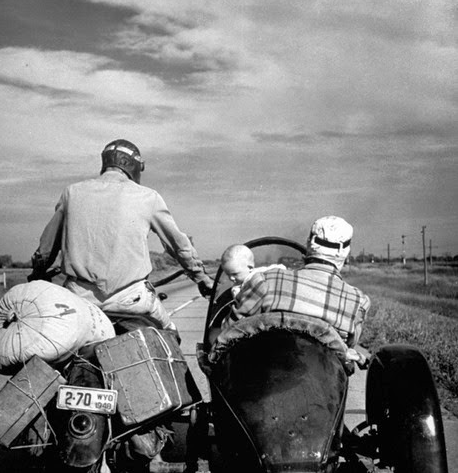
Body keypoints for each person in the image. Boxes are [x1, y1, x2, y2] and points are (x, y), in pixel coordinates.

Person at [30, 138, 213, 331]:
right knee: (170, 336)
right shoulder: (149, 197)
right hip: (131, 300)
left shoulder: (71, 193)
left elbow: (46, 249)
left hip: (80, 302)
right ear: (134, 166)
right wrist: (201, 277)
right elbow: (178, 245)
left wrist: (38, 273)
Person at [222, 216, 370, 349]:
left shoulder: (267, 279)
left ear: (309, 243)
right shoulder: (358, 302)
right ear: (346, 251)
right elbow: (349, 345)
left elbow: (231, 327)